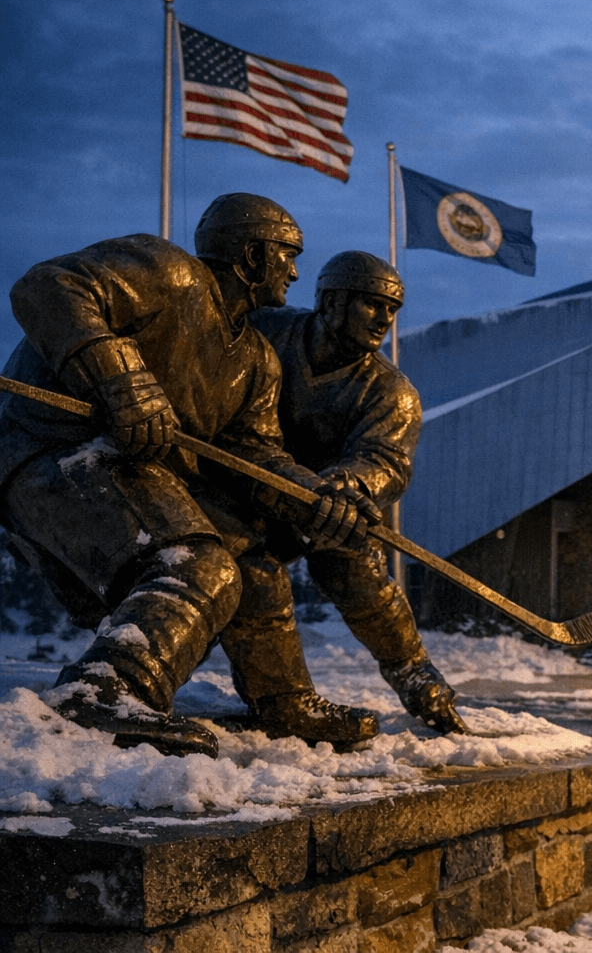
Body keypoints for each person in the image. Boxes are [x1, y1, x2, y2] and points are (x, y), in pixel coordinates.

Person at [0, 194, 379, 757]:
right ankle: (101, 690)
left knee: (248, 548)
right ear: (253, 254)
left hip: (130, 467)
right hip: (55, 452)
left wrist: (315, 497)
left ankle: (282, 699)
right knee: (198, 562)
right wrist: (122, 380)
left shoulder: (257, 360)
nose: (296, 272)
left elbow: (255, 456)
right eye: (288, 255)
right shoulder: (169, 273)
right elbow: (47, 286)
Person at [248, 251, 465, 734]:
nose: (384, 319)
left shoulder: (391, 392)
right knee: (236, 571)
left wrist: (347, 487)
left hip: (317, 506)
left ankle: (414, 673)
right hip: (241, 486)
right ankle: (279, 697)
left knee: (352, 557)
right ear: (330, 302)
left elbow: (385, 460)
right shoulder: (266, 330)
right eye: (371, 304)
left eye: (391, 309)